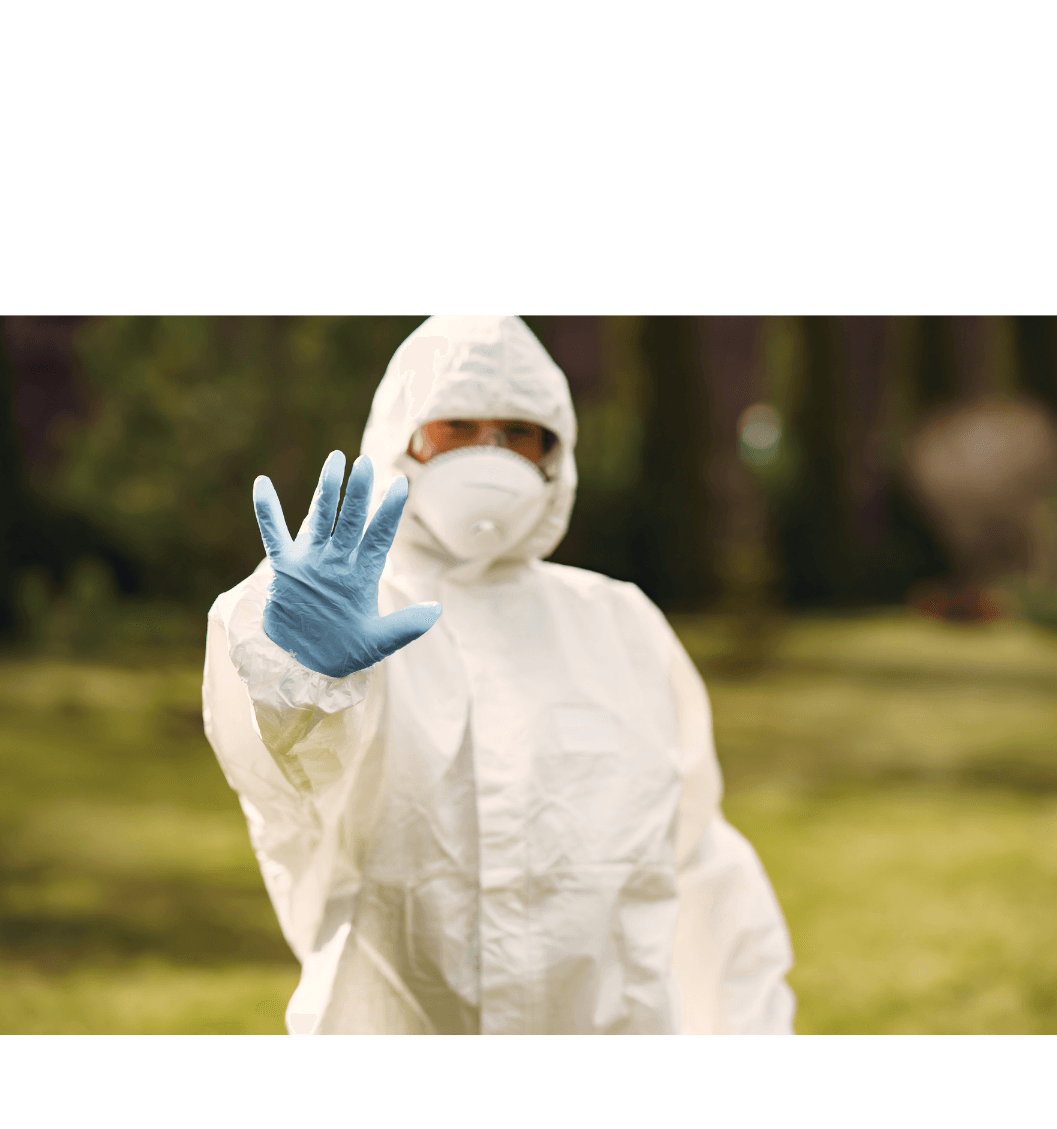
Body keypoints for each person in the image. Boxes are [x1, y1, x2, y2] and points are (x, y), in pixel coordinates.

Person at [203, 314, 795, 1035]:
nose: (491, 453)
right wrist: (297, 670)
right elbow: (284, 781)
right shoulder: (347, 619)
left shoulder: (619, 624)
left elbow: (699, 858)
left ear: (558, 455)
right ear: (402, 438)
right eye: (456, 426)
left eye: (520, 433)